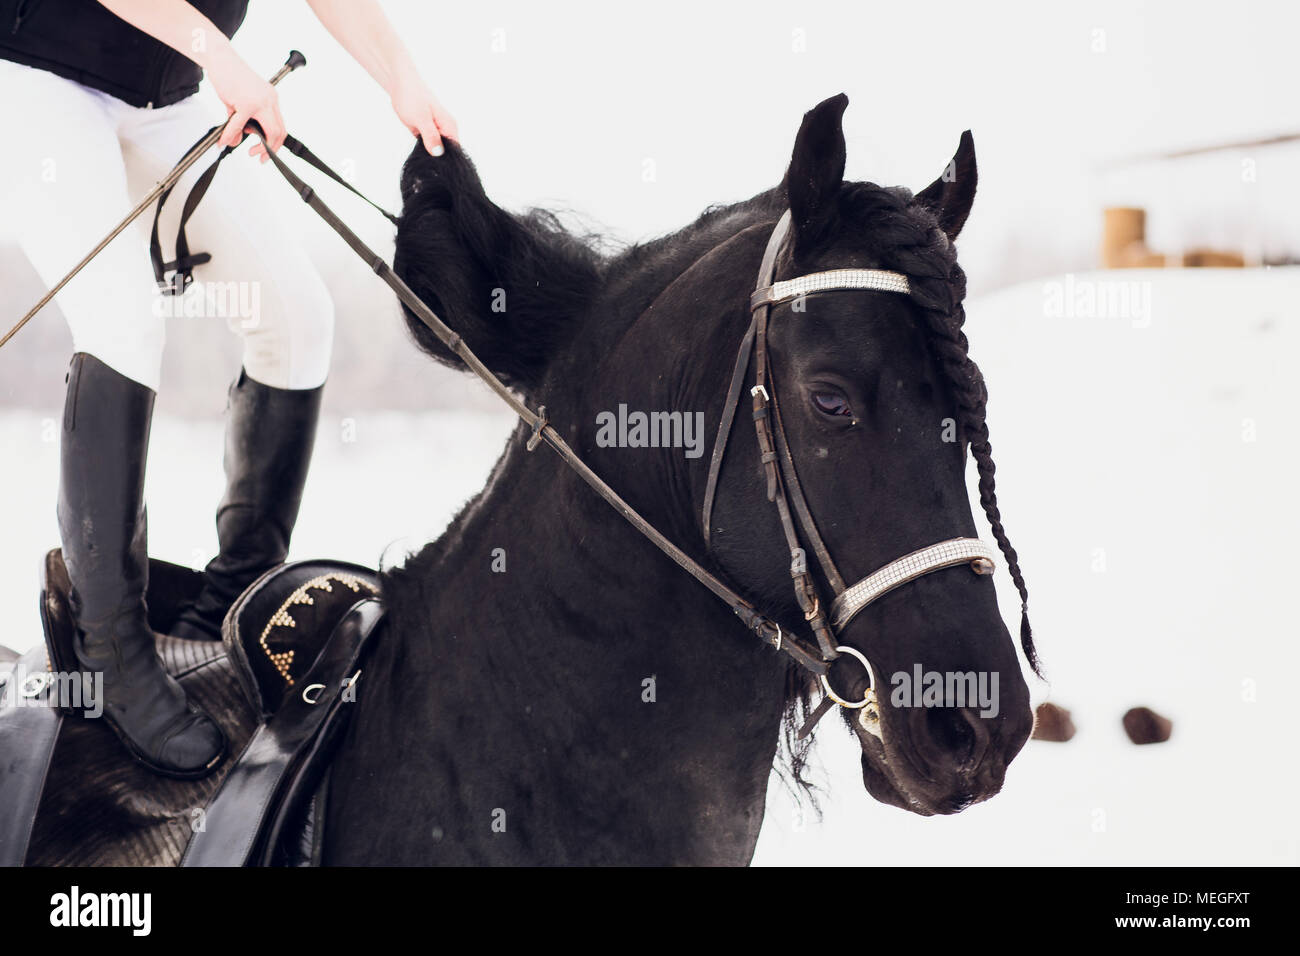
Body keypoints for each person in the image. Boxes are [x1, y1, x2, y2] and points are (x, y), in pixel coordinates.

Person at [0, 0, 457, 778]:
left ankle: (234, 606)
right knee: (124, 319)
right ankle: (108, 646)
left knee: (298, 315)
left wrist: (403, 81)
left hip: (163, 99)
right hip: (39, 80)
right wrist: (220, 56)